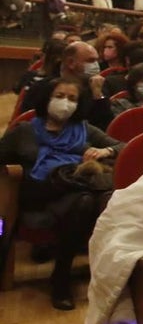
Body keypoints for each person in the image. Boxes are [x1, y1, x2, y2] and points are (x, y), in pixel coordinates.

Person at [0, 77, 124, 308]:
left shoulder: (84, 129)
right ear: (46, 98)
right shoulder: (25, 130)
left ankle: (63, 274)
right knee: (87, 200)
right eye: (59, 96)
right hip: (39, 195)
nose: (65, 102)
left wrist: (104, 150)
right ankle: (65, 277)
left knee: (88, 200)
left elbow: (123, 146)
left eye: (72, 98)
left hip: (76, 192)